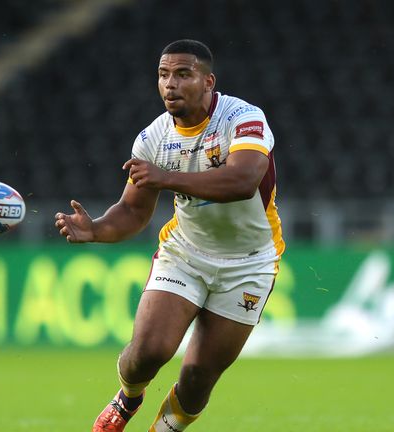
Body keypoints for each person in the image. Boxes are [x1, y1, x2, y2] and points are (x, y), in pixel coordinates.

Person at [55, 39, 285, 432]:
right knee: (147, 353)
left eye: (183, 74)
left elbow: (245, 180)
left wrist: (167, 177)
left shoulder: (243, 118)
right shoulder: (151, 140)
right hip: (186, 254)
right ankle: (127, 399)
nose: (170, 84)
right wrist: (96, 230)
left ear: (208, 81)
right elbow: (132, 211)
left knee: (198, 378)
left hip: (251, 263)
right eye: (163, 75)